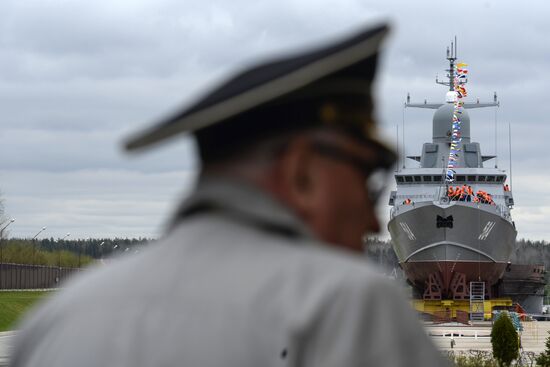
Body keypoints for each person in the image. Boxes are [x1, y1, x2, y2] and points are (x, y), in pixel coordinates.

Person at [11, 23, 447, 367]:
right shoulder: (347, 309)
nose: (373, 223)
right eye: (368, 177)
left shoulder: (56, 320)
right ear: (301, 173)